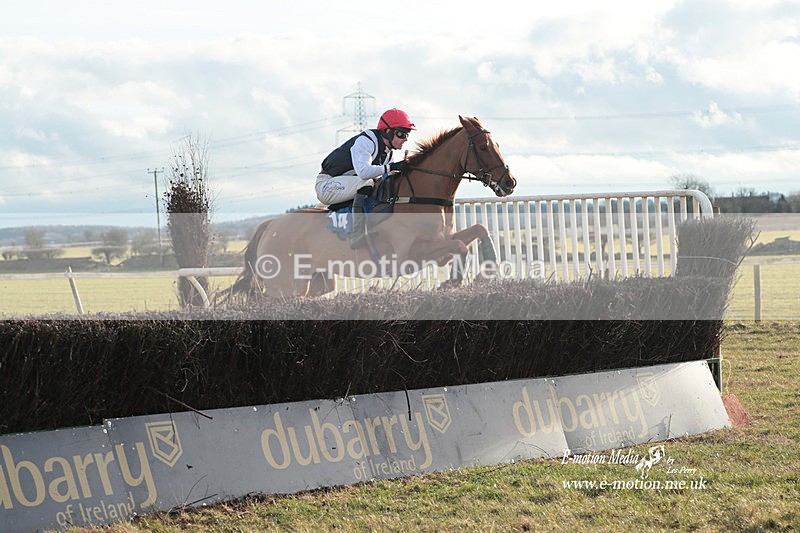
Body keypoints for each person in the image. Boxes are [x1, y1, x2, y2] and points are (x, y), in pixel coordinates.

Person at [315, 108, 414, 249]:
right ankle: (357, 233)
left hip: (346, 184)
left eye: (407, 135)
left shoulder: (388, 154)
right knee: (367, 182)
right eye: (401, 134)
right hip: (327, 186)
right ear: (387, 131)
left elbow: (384, 177)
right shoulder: (366, 141)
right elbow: (363, 172)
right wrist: (391, 168)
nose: (405, 139)